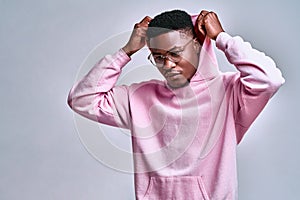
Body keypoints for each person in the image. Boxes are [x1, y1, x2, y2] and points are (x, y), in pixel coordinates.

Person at [68, 9, 284, 200]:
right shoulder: (140, 97)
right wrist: (127, 51)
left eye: (175, 54)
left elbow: (269, 79)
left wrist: (221, 37)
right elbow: (81, 99)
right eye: (158, 57)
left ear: (198, 46)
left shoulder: (228, 92)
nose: (167, 65)